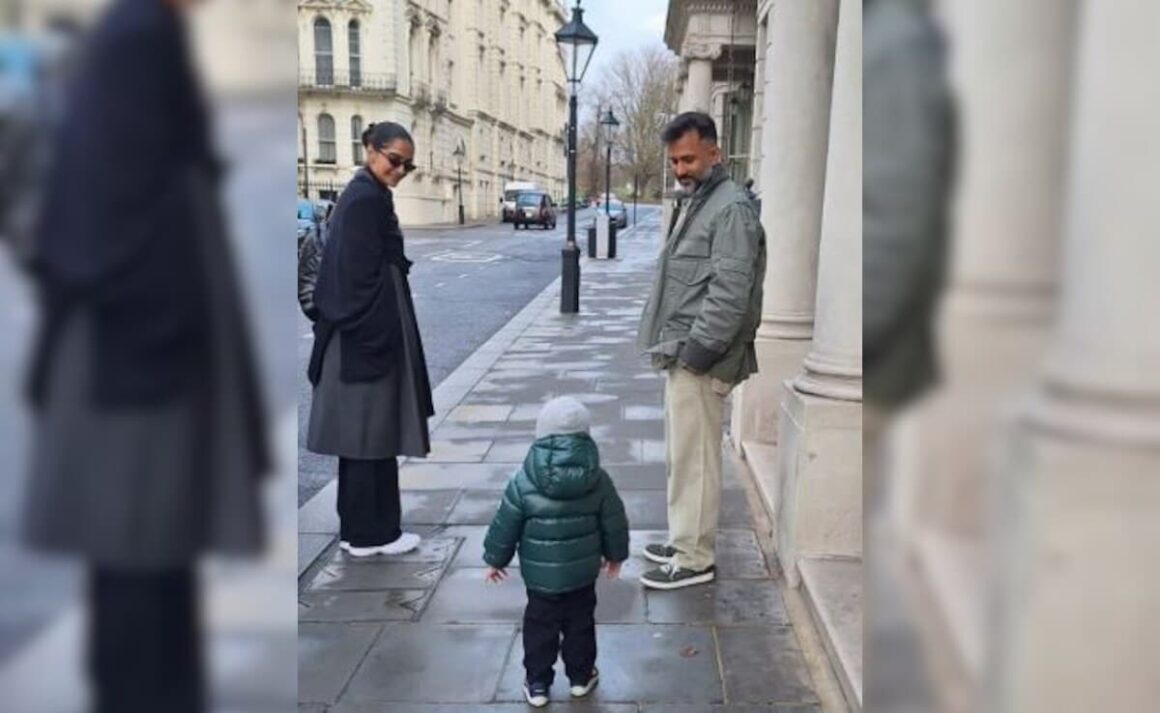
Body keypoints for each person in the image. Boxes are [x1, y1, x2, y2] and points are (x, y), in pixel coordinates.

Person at [21, 1, 269, 711]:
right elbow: (99, 215)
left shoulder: (142, 32)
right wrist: (174, 349)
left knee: (148, 570)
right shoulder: (138, 36)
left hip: (137, 356)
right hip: (134, 369)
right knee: (140, 567)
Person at [636, 112, 766, 590]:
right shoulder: (703, 200)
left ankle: (694, 558)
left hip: (700, 355)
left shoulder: (729, 208)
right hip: (683, 349)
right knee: (682, 454)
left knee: (697, 460)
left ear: (715, 152)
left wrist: (699, 352)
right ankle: (683, 538)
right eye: (674, 161)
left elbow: (731, 291)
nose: (680, 169)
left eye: (688, 158)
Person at [306, 121, 434, 557]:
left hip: (364, 340)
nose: (399, 170)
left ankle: (373, 530)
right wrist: (379, 338)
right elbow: (351, 281)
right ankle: (368, 535)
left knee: (370, 439)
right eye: (394, 159)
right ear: (370, 149)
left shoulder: (368, 194)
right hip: (364, 343)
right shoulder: (364, 199)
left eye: (407, 165)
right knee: (366, 439)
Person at [482, 397, 629, 708]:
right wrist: (616, 555)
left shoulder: (523, 481)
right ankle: (580, 676)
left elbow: (505, 522)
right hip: (581, 575)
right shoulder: (598, 479)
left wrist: (495, 560)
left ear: (541, 435)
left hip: (540, 579)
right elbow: (613, 521)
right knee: (581, 625)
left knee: (539, 628)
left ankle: (537, 683)